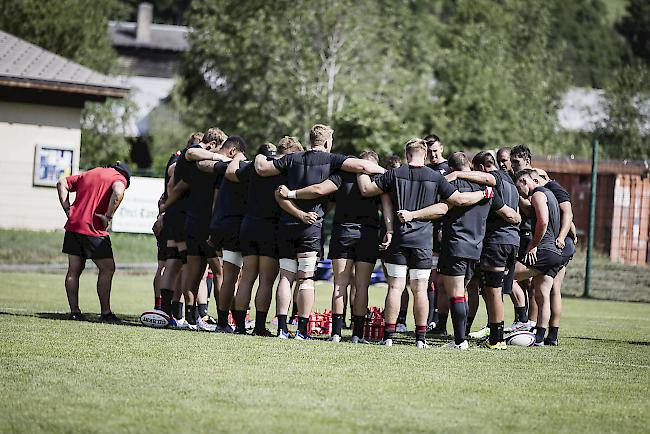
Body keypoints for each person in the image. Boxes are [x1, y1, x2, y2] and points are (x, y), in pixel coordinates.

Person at [254, 124, 384, 340]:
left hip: (286, 225)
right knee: (306, 279)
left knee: (285, 278)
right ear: (326, 143)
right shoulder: (332, 160)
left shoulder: (292, 158)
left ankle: (281, 329)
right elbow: (361, 166)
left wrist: (259, 157)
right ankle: (302, 331)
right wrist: (385, 171)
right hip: (310, 227)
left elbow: (262, 168)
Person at [357, 141, 492, 348]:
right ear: (426, 154)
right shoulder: (435, 176)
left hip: (399, 240)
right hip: (423, 242)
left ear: (406, 154)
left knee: (395, 287)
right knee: (420, 290)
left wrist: (360, 167)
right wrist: (484, 194)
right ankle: (420, 339)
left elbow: (366, 190)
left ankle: (388, 338)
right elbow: (459, 200)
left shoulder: (395, 174)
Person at [277, 150, 389, 344]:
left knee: (340, 285)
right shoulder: (379, 181)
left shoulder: (341, 176)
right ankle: (357, 335)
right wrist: (390, 229)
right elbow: (385, 208)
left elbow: (323, 195)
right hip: (368, 234)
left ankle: (336, 333)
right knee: (362, 286)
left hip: (342, 232)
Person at [226, 139, 304, 336]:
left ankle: (240, 327)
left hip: (248, 225)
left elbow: (233, 175)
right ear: (290, 152)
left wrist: (237, 158)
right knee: (266, 281)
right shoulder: (287, 169)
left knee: (246, 278)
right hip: (270, 228)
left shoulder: (256, 164)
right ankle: (259, 327)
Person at [56, 162, 130, 321]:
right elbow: (118, 192)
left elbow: (62, 183)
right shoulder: (118, 178)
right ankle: (105, 313)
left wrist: (67, 209)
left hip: (74, 226)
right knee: (108, 269)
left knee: (74, 270)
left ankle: (75, 312)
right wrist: (108, 216)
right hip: (94, 229)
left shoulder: (90, 172)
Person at [465, 151, 523, 349]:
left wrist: (459, 174)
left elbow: (505, 211)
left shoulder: (494, 180)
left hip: (497, 241)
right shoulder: (510, 181)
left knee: (493, 292)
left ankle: (496, 340)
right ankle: (496, 336)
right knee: (496, 291)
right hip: (512, 242)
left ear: (481, 168)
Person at [512, 170, 566, 346]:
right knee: (543, 296)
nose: (520, 192)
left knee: (505, 277)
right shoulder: (550, 194)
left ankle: (521, 320)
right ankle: (542, 337)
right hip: (555, 253)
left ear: (524, 181)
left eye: (519, 188)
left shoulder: (538, 195)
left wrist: (533, 245)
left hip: (543, 250)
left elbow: (543, 221)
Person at [425, 134, 452, 333]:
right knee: (430, 279)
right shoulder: (424, 170)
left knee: (444, 281)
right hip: (428, 230)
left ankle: (439, 321)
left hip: (445, 231)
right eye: (429, 151)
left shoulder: (450, 169)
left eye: (435, 150)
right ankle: (430, 320)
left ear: (441, 148)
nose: (433, 155)